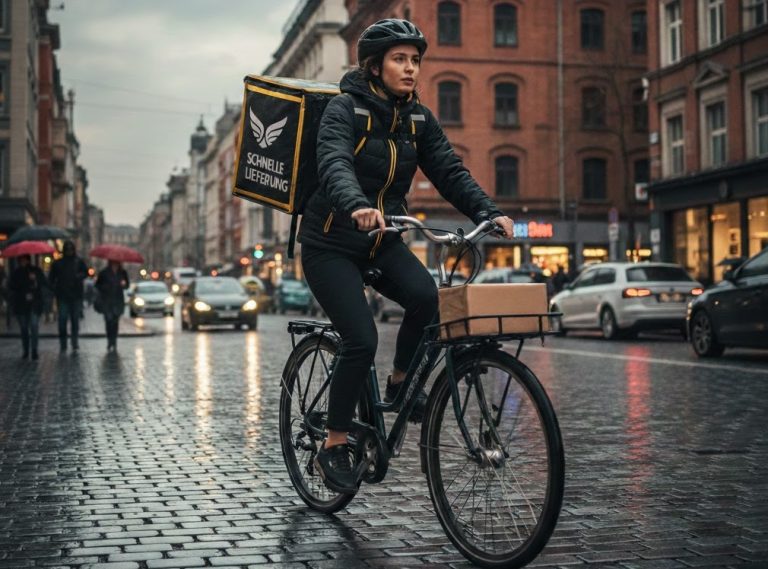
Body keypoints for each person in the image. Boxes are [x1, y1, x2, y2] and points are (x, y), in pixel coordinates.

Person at [297, 19, 514, 494]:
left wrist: (487, 211)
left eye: (415, 60)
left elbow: (449, 170)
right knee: (360, 337)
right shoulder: (344, 109)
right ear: (375, 66)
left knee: (427, 299)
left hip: (383, 237)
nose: (411, 68)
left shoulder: (418, 119)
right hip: (330, 243)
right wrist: (355, 204)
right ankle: (333, 442)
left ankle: (399, 383)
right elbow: (333, 161)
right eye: (400, 59)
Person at [48, 240, 88, 353]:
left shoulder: (79, 262)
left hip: (75, 296)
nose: (69, 251)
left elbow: (86, 273)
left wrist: (79, 276)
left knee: (75, 320)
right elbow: (51, 279)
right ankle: (63, 343)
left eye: (71, 249)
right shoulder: (58, 263)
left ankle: (74, 341)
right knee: (62, 321)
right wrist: (55, 288)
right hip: (63, 296)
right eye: (67, 249)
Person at [8, 254, 48, 360]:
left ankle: (34, 350)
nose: (23, 262)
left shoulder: (35, 271)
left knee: (34, 326)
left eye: (25, 260)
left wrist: (35, 280)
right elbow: (12, 286)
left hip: (34, 303)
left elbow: (43, 283)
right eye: (21, 260)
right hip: (21, 304)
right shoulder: (16, 273)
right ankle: (26, 350)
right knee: (24, 328)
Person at [95, 260, 129, 352]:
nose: (115, 264)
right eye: (114, 263)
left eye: (117, 263)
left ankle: (114, 341)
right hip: (107, 301)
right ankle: (109, 340)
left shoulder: (122, 273)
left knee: (115, 322)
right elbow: (97, 285)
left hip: (118, 301)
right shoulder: (104, 273)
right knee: (108, 321)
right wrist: (105, 287)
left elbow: (127, 285)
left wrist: (124, 284)